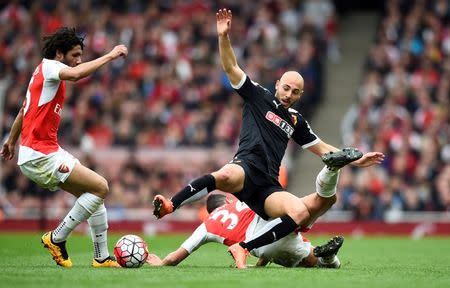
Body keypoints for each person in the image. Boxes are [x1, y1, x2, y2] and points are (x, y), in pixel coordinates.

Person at [152, 8, 385, 269]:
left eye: (295, 92)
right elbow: (231, 67)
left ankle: (244, 248)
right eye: (286, 88)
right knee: (224, 176)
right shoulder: (258, 96)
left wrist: (358, 159)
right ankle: (172, 203)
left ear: (300, 95)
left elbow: (322, 149)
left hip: (267, 185)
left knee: (299, 213)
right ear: (277, 84)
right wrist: (224, 37)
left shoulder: (296, 120)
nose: (288, 94)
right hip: (246, 166)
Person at [1, 27, 128, 268]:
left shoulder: (42, 72)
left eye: (80, 55)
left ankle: (101, 258)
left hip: (43, 151)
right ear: (59, 54)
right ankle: (56, 237)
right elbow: (77, 74)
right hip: (40, 154)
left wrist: (10, 141)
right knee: (102, 186)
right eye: (75, 55)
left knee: (92, 195)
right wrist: (110, 55)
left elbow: (23, 111)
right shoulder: (50, 67)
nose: (78, 60)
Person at [147, 194, 343, 268]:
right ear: (227, 201)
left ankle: (325, 257)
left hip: (261, 245)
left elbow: (175, 258)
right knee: (318, 261)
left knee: (310, 261)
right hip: (279, 226)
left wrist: (161, 262)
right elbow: (262, 223)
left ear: (209, 212)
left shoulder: (207, 224)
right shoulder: (243, 201)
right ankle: (327, 256)